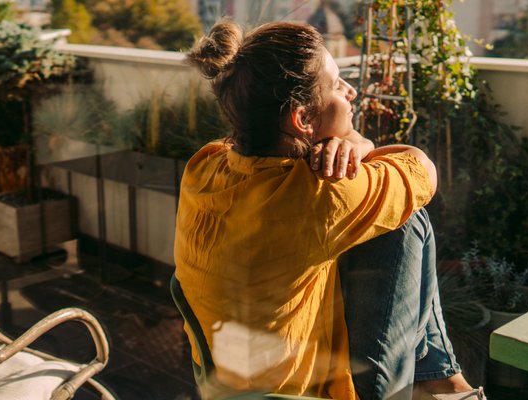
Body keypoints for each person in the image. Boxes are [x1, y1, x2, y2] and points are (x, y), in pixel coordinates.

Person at [174, 19, 482, 400]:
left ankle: (445, 381)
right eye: (337, 85)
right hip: (313, 394)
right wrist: (356, 141)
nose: (351, 91)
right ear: (302, 118)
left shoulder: (204, 166)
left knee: (383, 218)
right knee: (406, 220)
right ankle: (443, 380)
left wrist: (353, 142)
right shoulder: (319, 196)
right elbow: (423, 171)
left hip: (230, 387)